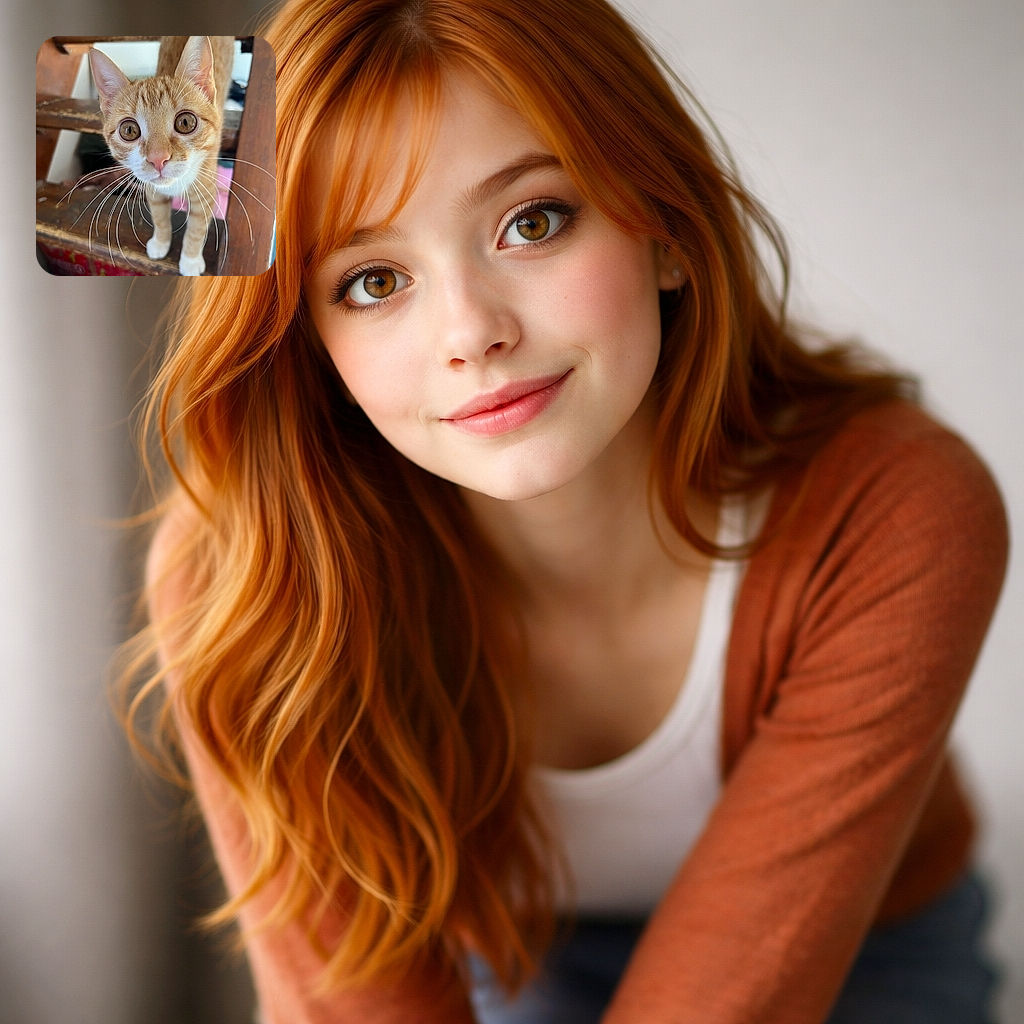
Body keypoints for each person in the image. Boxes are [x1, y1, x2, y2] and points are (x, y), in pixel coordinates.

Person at [132, 0, 1009, 1020]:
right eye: (372, 281)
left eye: (533, 222)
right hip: (502, 947)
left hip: (868, 946)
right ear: (311, 352)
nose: (471, 332)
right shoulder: (236, 568)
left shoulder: (898, 505)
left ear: (667, 230)